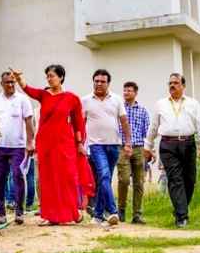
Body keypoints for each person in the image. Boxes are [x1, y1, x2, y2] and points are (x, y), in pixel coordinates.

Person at [11, 64, 92, 225]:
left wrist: (79, 143)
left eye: (52, 75)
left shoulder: (72, 98)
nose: (49, 78)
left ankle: (71, 214)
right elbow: (29, 90)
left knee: (66, 178)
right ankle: (51, 216)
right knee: (48, 179)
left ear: (61, 77)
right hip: (46, 143)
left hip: (65, 143)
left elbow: (78, 123)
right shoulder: (44, 95)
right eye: (47, 76)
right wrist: (20, 79)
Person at [144, 73, 200, 228]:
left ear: (183, 86)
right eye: (170, 83)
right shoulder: (160, 104)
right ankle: (182, 217)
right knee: (175, 179)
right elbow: (153, 126)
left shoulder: (193, 104)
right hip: (168, 145)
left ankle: (180, 208)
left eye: (176, 83)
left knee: (190, 179)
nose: (172, 86)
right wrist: (148, 146)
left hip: (188, 143)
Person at [82, 69, 132, 226]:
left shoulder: (116, 100)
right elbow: (80, 123)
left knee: (106, 179)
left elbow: (124, 122)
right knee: (103, 176)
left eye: (102, 81)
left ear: (108, 83)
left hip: (114, 145)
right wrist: (79, 144)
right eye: (96, 81)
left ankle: (97, 215)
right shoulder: (85, 100)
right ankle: (113, 211)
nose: (98, 84)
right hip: (95, 145)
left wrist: (128, 143)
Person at [0, 71, 35, 225]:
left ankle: (19, 212)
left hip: (18, 146)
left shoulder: (23, 99)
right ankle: (1, 213)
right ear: (1, 84)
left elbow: (29, 122)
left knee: (18, 176)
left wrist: (30, 142)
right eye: (7, 82)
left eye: (12, 82)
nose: (10, 85)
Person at [116, 81, 150, 224]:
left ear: (135, 93)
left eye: (129, 91)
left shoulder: (142, 110)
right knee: (123, 179)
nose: (126, 93)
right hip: (122, 147)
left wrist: (149, 149)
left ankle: (137, 214)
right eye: (124, 90)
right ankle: (121, 209)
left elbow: (147, 131)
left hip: (139, 148)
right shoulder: (118, 108)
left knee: (139, 182)